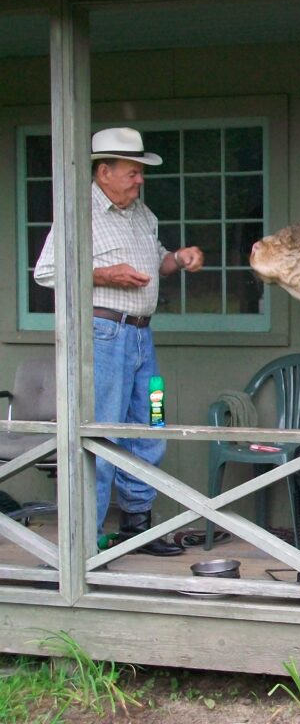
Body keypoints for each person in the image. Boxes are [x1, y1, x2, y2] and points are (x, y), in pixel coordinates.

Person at [34, 127, 204, 556]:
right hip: (104, 334)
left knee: (150, 425)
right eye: (132, 172)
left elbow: (156, 262)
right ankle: (86, 545)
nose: (139, 179)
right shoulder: (78, 213)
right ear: (104, 171)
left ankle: (137, 527)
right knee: (101, 435)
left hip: (142, 335)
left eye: (140, 172)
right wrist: (104, 275)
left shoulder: (142, 214)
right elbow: (46, 272)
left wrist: (178, 259)